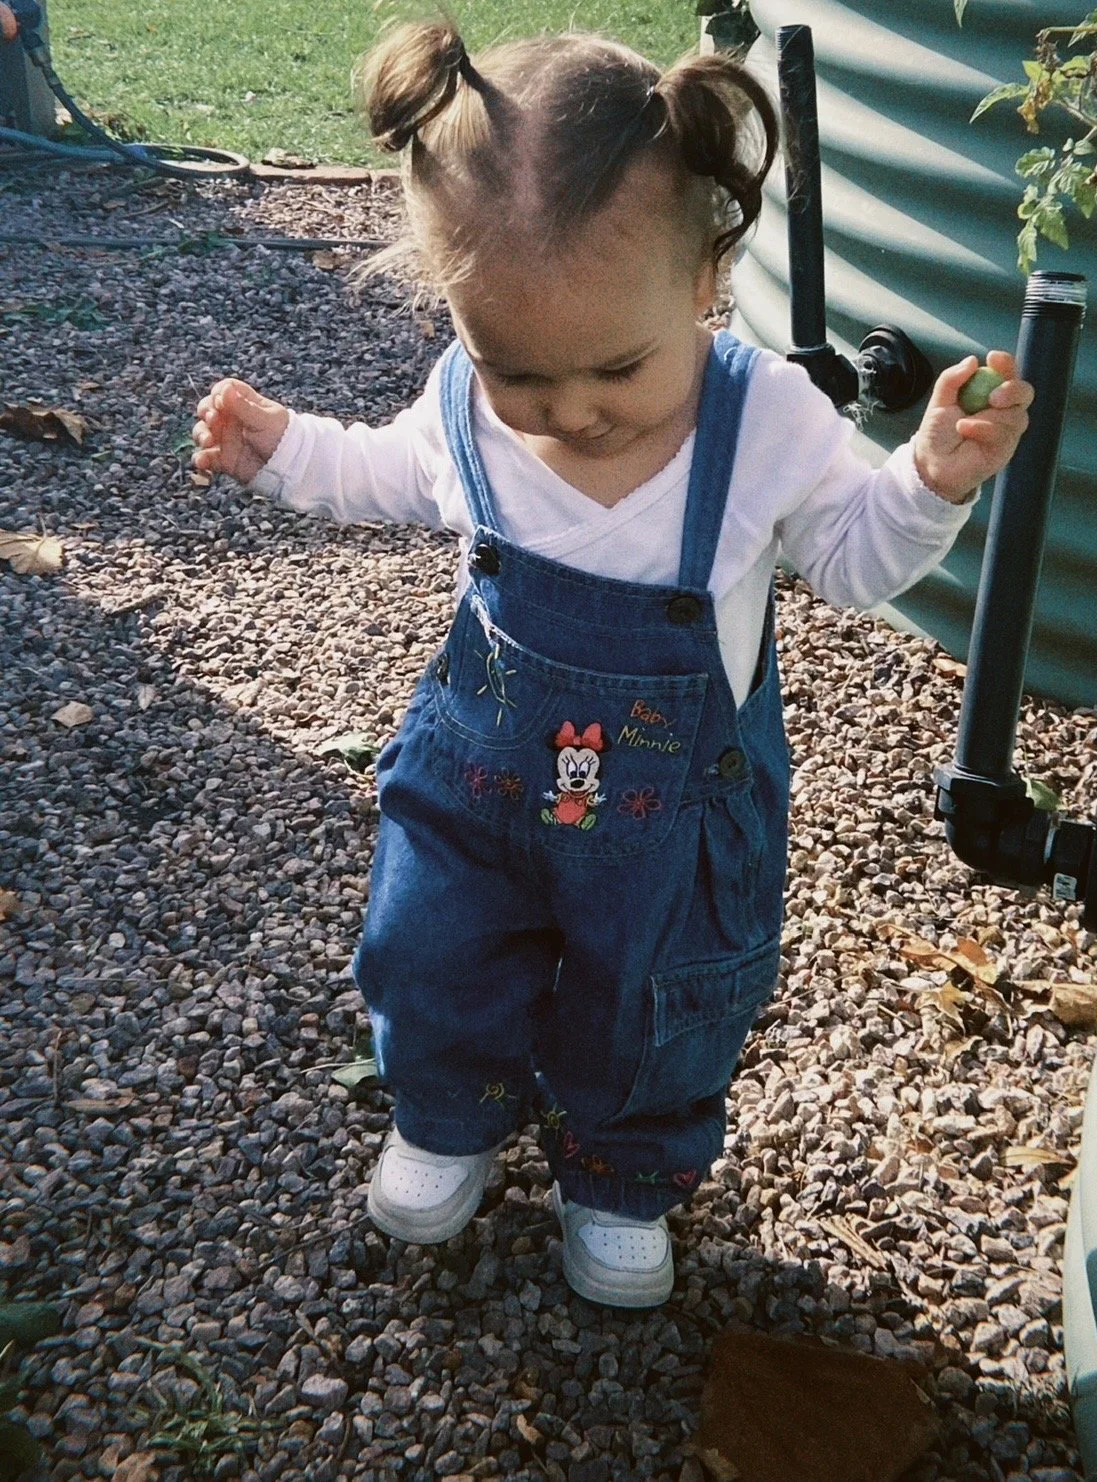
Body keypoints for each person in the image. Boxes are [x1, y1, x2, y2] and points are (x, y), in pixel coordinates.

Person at [191, 20, 1032, 1309]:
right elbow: (391, 472)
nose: (570, 409)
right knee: (430, 949)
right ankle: (448, 1114)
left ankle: (620, 1172)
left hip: (670, 824)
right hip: (477, 787)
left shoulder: (768, 425)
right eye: (517, 369)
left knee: (654, 1001)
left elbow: (856, 563)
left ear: (709, 271)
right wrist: (286, 450)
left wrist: (928, 483)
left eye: (618, 368)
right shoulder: (467, 406)